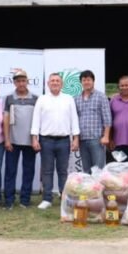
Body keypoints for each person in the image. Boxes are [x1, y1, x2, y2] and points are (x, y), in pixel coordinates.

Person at [31, 73, 80, 209]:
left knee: (63, 171)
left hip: (64, 141)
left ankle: (65, 197)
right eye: (52, 81)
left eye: (57, 81)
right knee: (47, 170)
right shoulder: (42, 99)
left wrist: (76, 138)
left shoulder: (68, 99)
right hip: (46, 140)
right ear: (48, 83)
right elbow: (36, 119)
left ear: (62, 84)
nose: (55, 83)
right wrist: (34, 138)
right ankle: (47, 199)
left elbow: (74, 119)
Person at [2, 70, 38, 209]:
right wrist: (7, 139)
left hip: (30, 142)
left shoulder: (36, 98)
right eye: (18, 81)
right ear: (14, 82)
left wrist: (35, 139)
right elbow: (5, 119)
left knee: (28, 171)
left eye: (23, 80)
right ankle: (9, 200)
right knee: (10, 171)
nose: (21, 83)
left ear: (27, 81)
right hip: (13, 142)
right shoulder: (9, 98)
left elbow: (38, 121)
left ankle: (25, 200)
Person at [74, 70, 111, 172]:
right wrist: (75, 138)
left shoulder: (101, 96)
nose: (86, 82)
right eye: (84, 80)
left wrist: (106, 136)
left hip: (97, 139)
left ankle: (99, 188)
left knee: (98, 170)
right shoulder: (76, 99)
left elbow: (107, 118)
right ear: (81, 82)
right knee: (86, 170)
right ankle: (89, 188)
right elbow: (74, 120)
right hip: (82, 139)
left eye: (89, 80)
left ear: (93, 81)